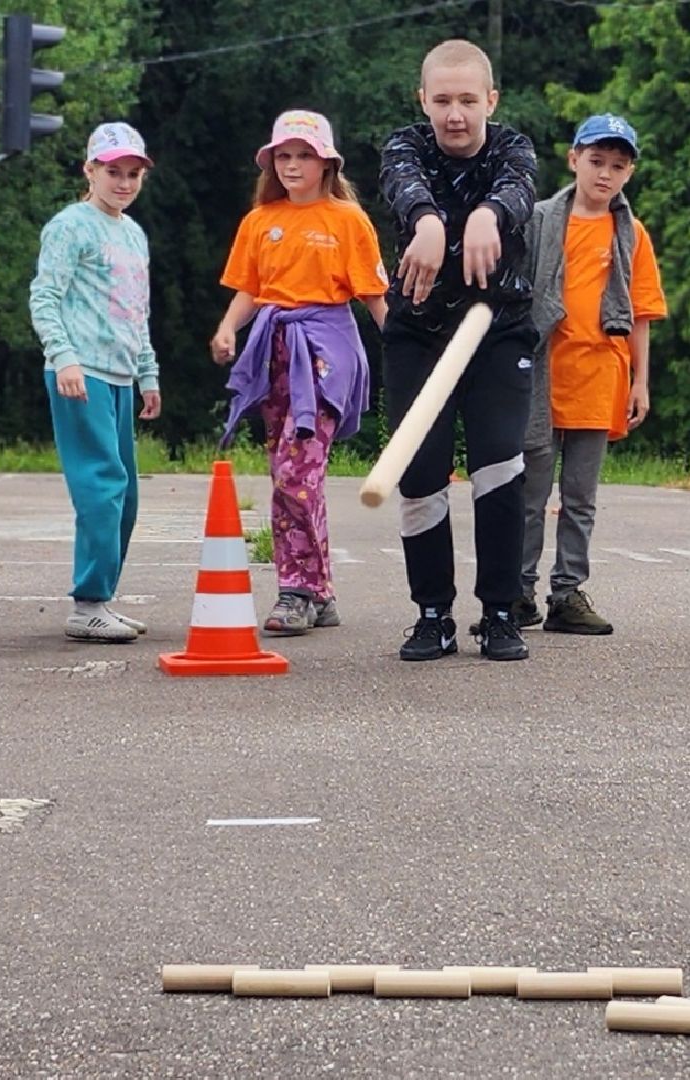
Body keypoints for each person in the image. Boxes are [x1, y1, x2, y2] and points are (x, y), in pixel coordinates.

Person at [379, 39, 539, 662]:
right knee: (420, 476)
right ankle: (432, 615)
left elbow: (518, 191)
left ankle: (500, 613)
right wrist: (428, 221)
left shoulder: (514, 147)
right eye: (442, 100)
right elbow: (403, 185)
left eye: (468, 100)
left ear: (490, 101)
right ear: (424, 100)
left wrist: (486, 216)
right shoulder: (403, 146)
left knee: (499, 466)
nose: (455, 114)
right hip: (419, 335)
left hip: (497, 331)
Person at [210, 110, 388, 636]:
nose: (292, 165)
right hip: (274, 352)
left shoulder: (348, 219)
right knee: (286, 473)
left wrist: (405, 349)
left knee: (296, 472)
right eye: (283, 156)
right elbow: (249, 287)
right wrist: (227, 329)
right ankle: (320, 590)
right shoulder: (259, 221)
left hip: (327, 353)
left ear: (326, 162)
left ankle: (296, 589)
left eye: (303, 155)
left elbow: (373, 296)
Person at [518, 113, 668, 636]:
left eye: (617, 166)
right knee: (529, 492)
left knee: (580, 496)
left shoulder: (631, 233)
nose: (605, 174)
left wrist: (641, 381)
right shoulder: (538, 220)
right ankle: (517, 592)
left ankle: (567, 593)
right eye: (597, 161)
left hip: (601, 374)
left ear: (629, 173)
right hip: (542, 374)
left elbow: (642, 312)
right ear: (574, 159)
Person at [29, 121, 161, 643]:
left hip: (121, 376)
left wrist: (147, 372)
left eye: (132, 174)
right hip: (79, 374)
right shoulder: (71, 225)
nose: (124, 182)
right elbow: (45, 297)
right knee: (102, 488)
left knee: (125, 496)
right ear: (90, 171)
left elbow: (136, 311)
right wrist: (63, 358)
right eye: (113, 172)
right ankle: (87, 605)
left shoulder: (132, 233)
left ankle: (100, 596)